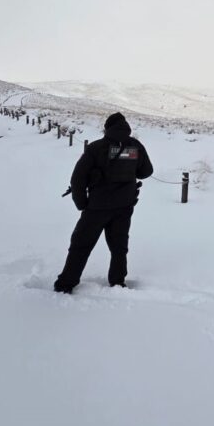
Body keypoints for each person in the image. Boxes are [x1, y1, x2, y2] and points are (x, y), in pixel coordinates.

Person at [54, 112, 153, 293]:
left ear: (107, 128)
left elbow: (78, 179)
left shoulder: (96, 148)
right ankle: (117, 282)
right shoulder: (135, 146)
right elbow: (146, 172)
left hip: (97, 208)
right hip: (125, 206)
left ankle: (66, 284)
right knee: (119, 247)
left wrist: (82, 204)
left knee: (81, 245)